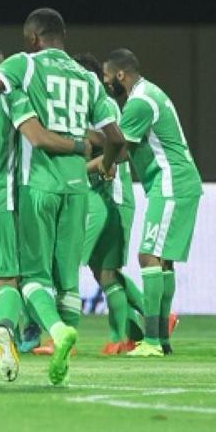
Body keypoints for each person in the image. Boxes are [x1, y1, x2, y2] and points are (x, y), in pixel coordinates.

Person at [0, 8, 124, 385]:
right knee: (68, 282)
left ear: (34, 38)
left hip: (36, 184)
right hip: (78, 188)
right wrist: (105, 164)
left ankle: (56, 331)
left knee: (32, 276)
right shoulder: (87, 77)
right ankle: (62, 368)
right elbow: (115, 138)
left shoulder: (26, 65)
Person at [104, 48, 202, 357]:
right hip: (179, 183)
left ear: (121, 75)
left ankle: (152, 341)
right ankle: (162, 340)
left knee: (148, 256)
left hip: (171, 183)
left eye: (107, 76)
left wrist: (94, 164)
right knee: (164, 262)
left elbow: (120, 150)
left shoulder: (139, 102)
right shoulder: (150, 92)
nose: (106, 82)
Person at [75, 53, 145, 355]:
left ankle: (149, 320)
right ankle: (131, 334)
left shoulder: (104, 106)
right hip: (102, 196)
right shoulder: (87, 107)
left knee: (107, 271)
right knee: (103, 272)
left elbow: (112, 150)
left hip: (113, 197)